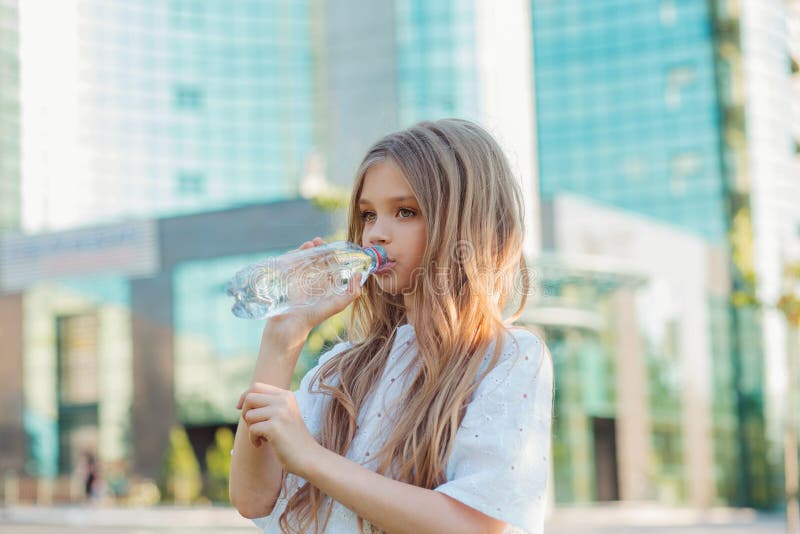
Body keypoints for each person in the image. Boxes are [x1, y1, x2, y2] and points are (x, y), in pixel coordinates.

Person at [229, 118, 553, 533]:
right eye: (367, 215)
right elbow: (252, 499)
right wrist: (281, 339)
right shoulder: (344, 368)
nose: (376, 235)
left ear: (466, 223)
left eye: (405, 212)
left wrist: (311, 457)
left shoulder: (506, 357)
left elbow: (481, 527)